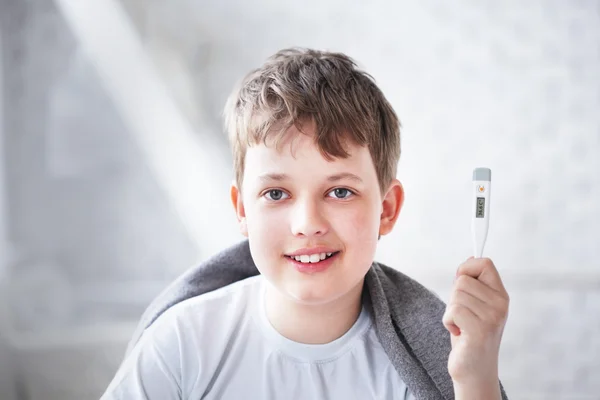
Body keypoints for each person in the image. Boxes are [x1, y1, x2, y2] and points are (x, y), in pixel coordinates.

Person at [101, 48, 510, 399]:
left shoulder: (437, 363)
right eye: (276, 193)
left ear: (386, 209)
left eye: (340, 192)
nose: (307, 224)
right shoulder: (184, 343)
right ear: (242, 208)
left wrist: (476, 381)